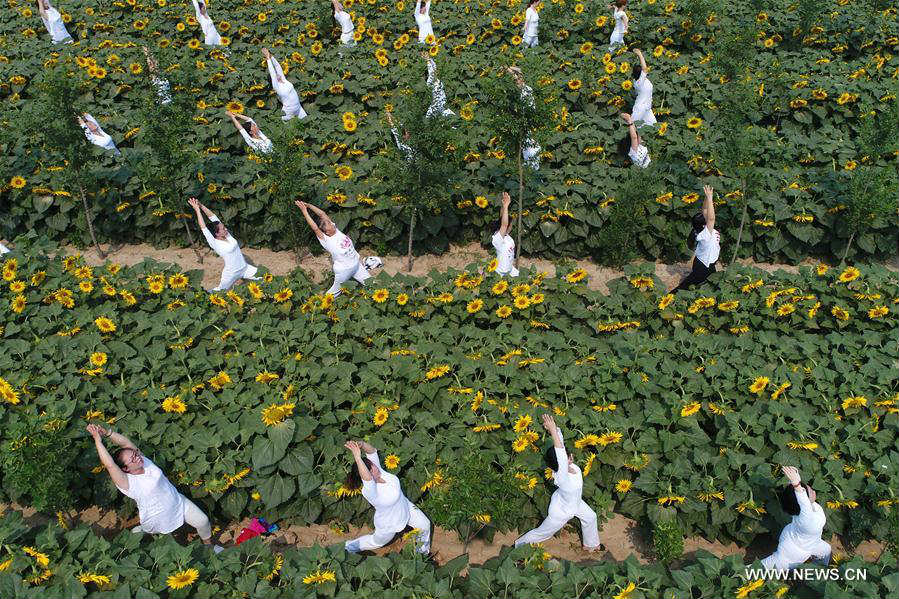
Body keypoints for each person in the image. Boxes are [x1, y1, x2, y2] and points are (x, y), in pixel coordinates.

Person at [86, 424, 223, 552]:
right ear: (125, 469)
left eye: (135, 454)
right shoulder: (127, 482)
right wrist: (97, 440)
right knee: (161, 540)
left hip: (177, 503)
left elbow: (126, 444)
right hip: (156, 516)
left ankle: (208, 547)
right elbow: (110, 464)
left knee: (202, 520)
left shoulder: (144, 461)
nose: (137, 457)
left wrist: (108, 433)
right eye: (132, 459)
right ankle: (137, 533)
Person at [515, 415, 602, 552]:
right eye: (567, 455)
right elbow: (561, 454)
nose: (570, 455)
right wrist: (553, 432)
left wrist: (554, 429)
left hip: (575, 503)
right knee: (543, 533)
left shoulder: (571, 467)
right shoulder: (562, 476)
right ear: (568, 458)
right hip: (561, 512)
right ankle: (519, 545)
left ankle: (591, 545)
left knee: (591, 517)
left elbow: (560, 447)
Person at [343, 440, 431, 555]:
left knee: (425, 524)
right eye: (371, 469)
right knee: (376, 542)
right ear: (366, 474)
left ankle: (422, 554)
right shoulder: (370, 491)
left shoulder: (380, 472)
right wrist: (357, 458)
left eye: (373, 465)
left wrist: (362, 444)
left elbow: (372, 451)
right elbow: (368, 479)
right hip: (389, 523)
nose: (375, 468)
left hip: (406, 508)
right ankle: (348, 547)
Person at [297, 201, 380, 297]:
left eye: (330, 222)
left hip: (356, 265)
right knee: (332, 294)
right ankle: (321, 307)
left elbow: (322, 214)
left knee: (372, 285)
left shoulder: (336, 230)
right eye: (329, 224)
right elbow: (314, 227)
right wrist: (304, 211)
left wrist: (309, 205)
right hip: (344, 271)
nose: (332, 224)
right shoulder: (326, 240)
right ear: (326, 232)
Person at [761, 466, 831, 572]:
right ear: (804, 500)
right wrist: (797, 485)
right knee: (760, 570)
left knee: (826, 550)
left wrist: (794, 478)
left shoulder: (802, 507)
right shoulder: (806, 517)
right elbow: (801, 499)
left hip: (810, 541)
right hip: (793, 552)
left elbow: (794, 496)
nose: (813, 490)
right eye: (810, 491)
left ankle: (818, 571)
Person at [187, 197, 259, 291]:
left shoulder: (227, 235)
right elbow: (203, 227)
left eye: (224, 227)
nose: (226, 229)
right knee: (219, 292)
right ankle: (198, 293)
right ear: (217, 234)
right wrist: (197, 210)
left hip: (245, 268)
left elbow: (213, 217)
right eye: (223, 229)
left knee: (265, 277)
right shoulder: (214, 243)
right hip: (231, 274)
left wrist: (200, 205)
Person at [673, 185, 720, 293]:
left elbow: (704, 209)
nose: (708, 216)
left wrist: (706, 197)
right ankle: (666, 301)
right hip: (703, 266)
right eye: (706, 218)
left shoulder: (704, 230)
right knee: (684, 288)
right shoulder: (705, 235)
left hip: (707, 264)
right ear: (704, 225)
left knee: (711, 287)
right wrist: (710, 198)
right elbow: (712, 218)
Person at [507, 66, 541, 171]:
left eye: (519, 79)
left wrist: (509, 68)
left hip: (527, 123)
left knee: (530, 148)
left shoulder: (527, 90)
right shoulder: (511, 92)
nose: (517, 81)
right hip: (516, 124)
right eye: (515, 80)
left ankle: (532, 171)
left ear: (523, 79)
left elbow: (528, 111)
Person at [262, 48, 307, 121]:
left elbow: (277, 67)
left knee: (307, 122)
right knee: (288, 127)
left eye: (277, 73)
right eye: (276, 74)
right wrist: (267, 59)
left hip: (299, 108)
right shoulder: (276, 86)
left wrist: (270, 56)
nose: (277, 73)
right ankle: (273, 119)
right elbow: (272, 73)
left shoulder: (284, 80)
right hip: (289, 112)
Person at [492, 192, 519, 278]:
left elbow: (501, 218)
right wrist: (506, 206)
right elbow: (503, 224)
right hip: (500, 273)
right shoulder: (498, 238)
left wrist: (504, 205)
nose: (511, 226)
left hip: (510, 271)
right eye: (510, 225)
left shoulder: (507, 237)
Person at [630, 49, 657, 128]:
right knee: (632, 126)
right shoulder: (639, 82)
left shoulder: (643, 80)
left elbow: (643, 69)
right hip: (640, 108)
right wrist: (640, 54)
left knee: (654, 126)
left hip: (647, 108)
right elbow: (645, 69)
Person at [423, 54, 454, 118]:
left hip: (442, 104)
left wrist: (429, 60)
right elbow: (432, 73)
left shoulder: (436, 80)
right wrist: (428, 62)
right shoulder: (430, 82)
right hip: (436, 106)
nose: (436, 72)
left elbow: (434, 68)